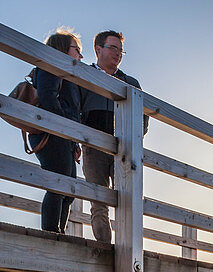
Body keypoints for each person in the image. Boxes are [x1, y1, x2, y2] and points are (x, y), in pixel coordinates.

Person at [80, 30, 147, 243]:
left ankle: (127, 249)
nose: (118, 54)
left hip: (124, 151)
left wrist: (136, 140)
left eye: (121, 50)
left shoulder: (130, 83)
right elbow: (74, 109)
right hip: (93, 148)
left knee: (129, 202)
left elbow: (143, 118)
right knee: (98, 201)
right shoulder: (84, 76)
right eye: (113, 48)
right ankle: (105, 248)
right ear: (98, 49)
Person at [29, 29, 82, 233]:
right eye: (76, 49)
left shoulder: (67, 76)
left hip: (64, 136)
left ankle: (59, 232)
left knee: (68, 191)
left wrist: (74, 142)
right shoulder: (50, 67)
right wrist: (63, 128)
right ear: (61, 48)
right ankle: (52, 233)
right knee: (59, 185)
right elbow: (47, 97)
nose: (79, 55)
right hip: (51, 135)